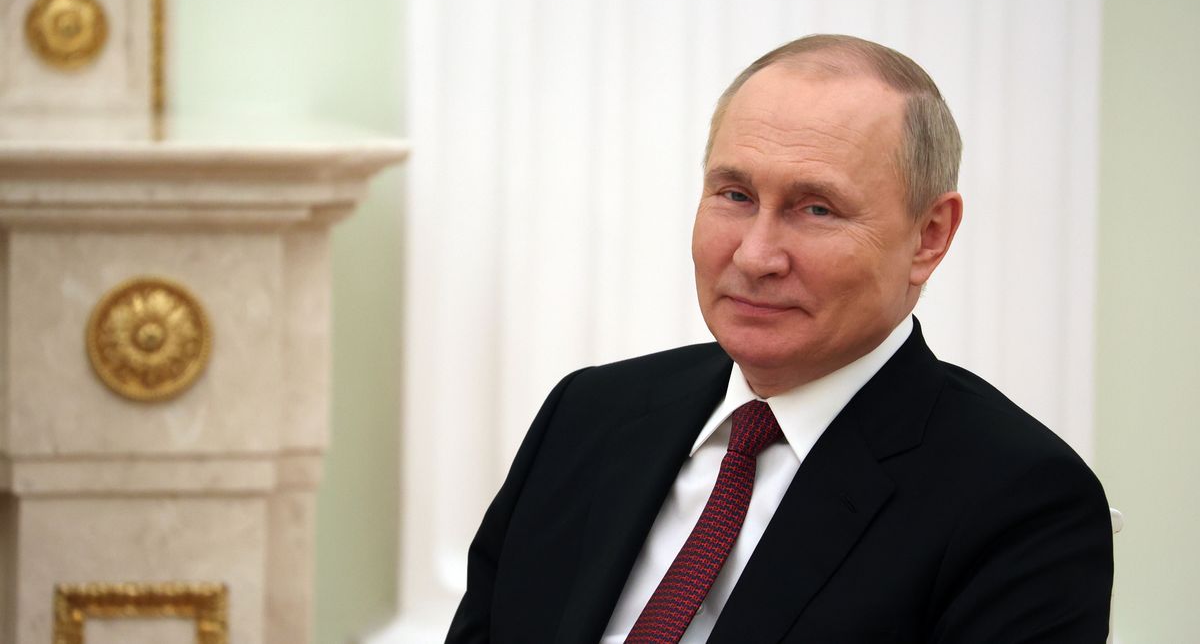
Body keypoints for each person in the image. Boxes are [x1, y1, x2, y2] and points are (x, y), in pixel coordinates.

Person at [446, 34, 1113, 643]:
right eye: (734, 194)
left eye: (816, 208)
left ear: (929, 235)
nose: (756, 254)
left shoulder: (1022, 504)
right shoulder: (588, 413)